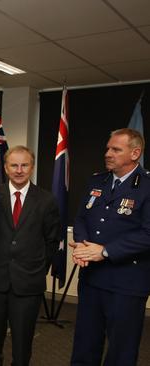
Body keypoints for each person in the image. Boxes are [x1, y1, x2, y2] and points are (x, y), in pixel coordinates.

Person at [70, 128, 150, 366]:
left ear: (135, 153)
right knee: (85, 342)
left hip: (127, 282)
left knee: (121, 348)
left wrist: (104, 251)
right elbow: (82, 218)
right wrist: (83, 246)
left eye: (116, 149)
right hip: (92, 278)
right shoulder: (97, 181)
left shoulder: (146, 186)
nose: (108, 153)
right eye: (108, 148)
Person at [0, 145, 60, 366]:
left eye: (24, 165)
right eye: (14, 165)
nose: (19, 170)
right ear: (5, 168)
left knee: (23, 345)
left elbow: (51, 242)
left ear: (32, 167)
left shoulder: (46, 200)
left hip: (28, 284)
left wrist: (35, 269)